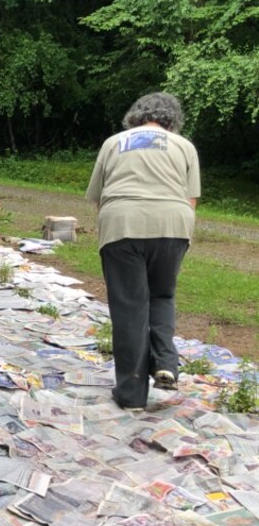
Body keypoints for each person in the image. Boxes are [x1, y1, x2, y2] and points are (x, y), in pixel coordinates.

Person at [85, 92, 200, 410]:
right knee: (162, 295)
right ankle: (165, 361)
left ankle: (132, 394)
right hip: (174, 225)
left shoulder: (114, 143)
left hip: (122, 225)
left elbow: (97, 197)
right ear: (172, 119)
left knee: (130, 306)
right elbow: (191, 200)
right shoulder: (184, 146)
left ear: (135, 116)